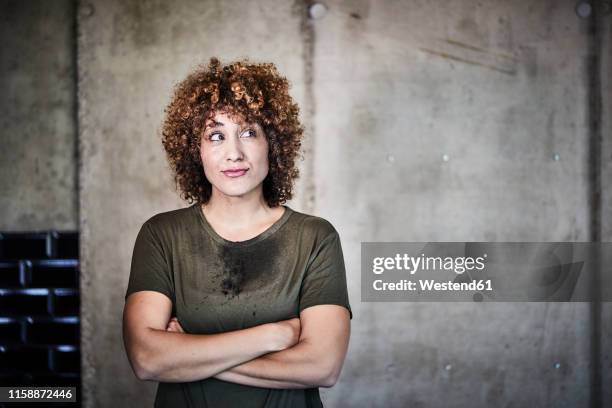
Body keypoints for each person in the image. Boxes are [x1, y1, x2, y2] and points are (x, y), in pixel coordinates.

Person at [122, 57, 352, 407]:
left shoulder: (315, 238)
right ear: (195, 150)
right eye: (216, 136)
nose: (234, 153)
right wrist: (273, 335)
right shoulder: (161, 235)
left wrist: (189, 355)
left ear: (272, 143)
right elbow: (146, 359)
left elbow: (322, 366)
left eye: (248, 132)